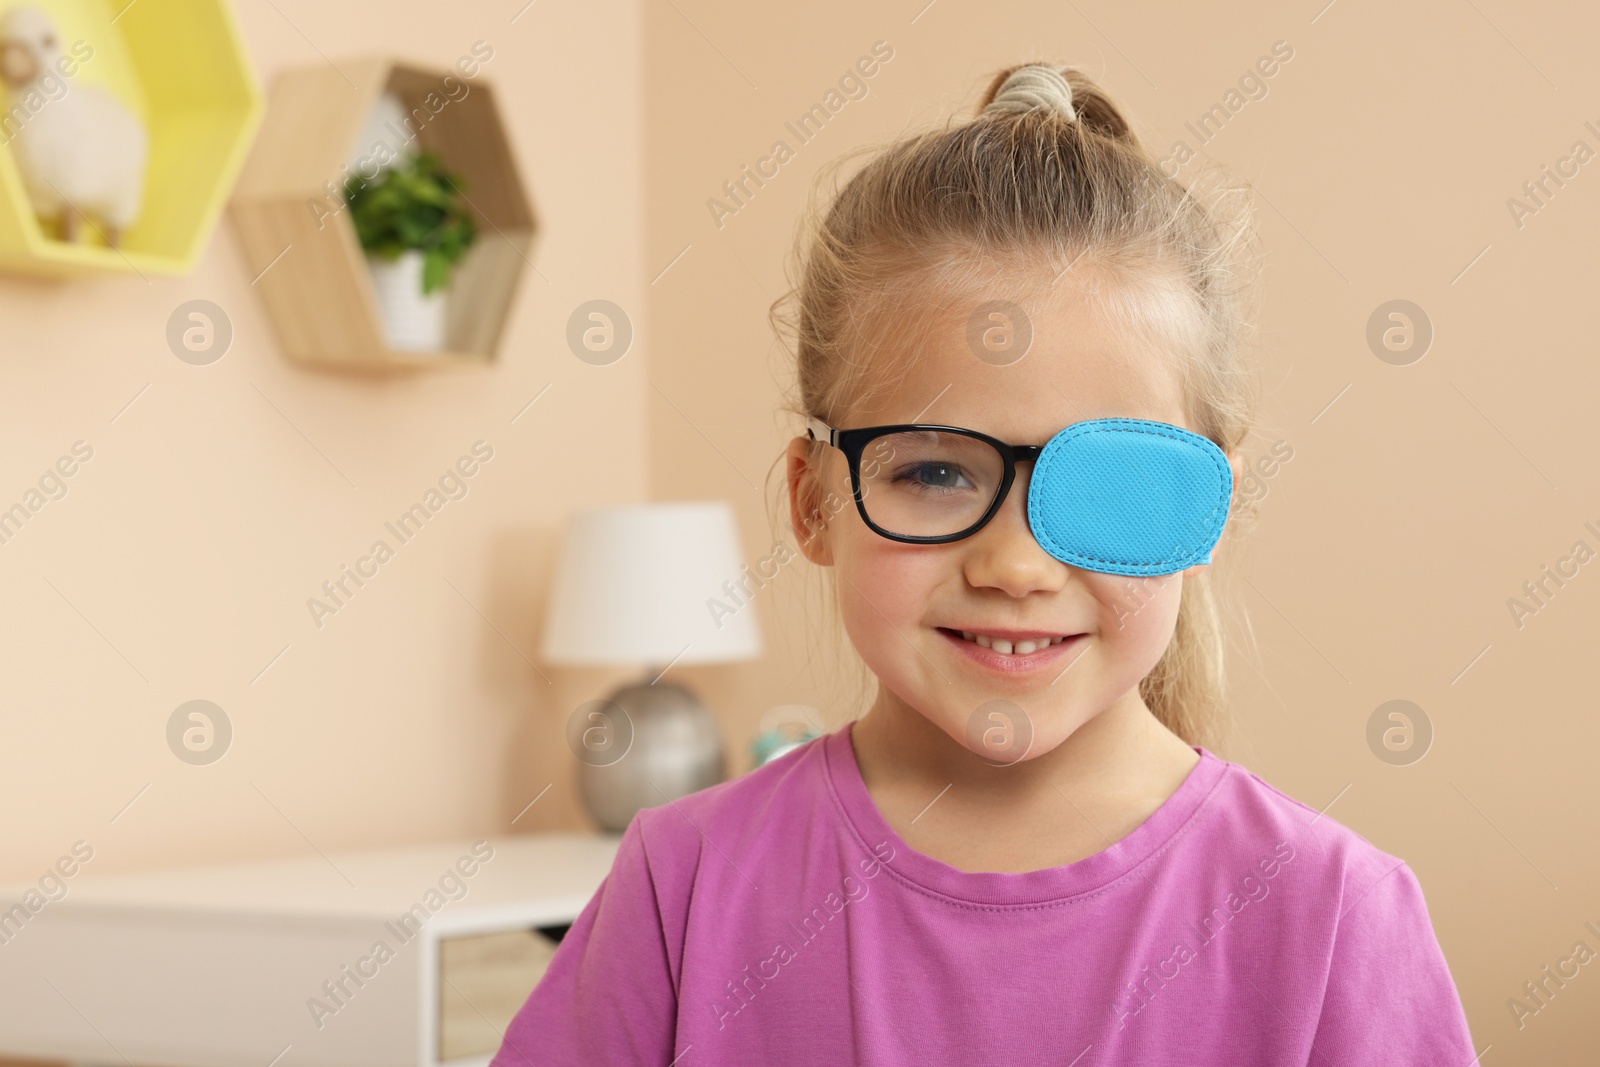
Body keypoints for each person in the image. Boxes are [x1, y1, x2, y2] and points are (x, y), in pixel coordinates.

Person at [491, 62, 1477, 1064]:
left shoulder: (1332, 915)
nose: (1015, 562)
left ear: (1204, 506)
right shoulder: (682, 886)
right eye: (932, 471)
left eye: (1105, 483)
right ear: (810, 500)